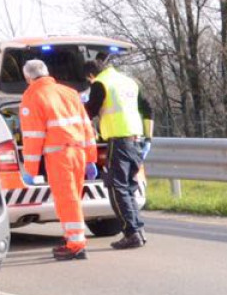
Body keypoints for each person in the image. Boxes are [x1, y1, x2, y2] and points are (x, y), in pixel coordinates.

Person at [17, 60, 97, 261]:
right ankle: (73, 239)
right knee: (73, 198)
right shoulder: (70, 92)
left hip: (59, 155)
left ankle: (76, 244)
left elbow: (33, 136)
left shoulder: (32, 96)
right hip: (78, 152)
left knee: (66, 200)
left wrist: (30, 170)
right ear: (47, 72)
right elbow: (87, 126)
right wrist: (91, 157)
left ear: (28, 77)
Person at [85, 49, 154, 249]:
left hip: (119, 141)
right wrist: (148, 138)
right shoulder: (128, 81)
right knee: (129, 188)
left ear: (91, 76)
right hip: (136, 140)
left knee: (117, 188)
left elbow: (90, 111)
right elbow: (148, 109)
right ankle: (138, 231)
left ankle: (131, 233)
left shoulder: (100, 83)